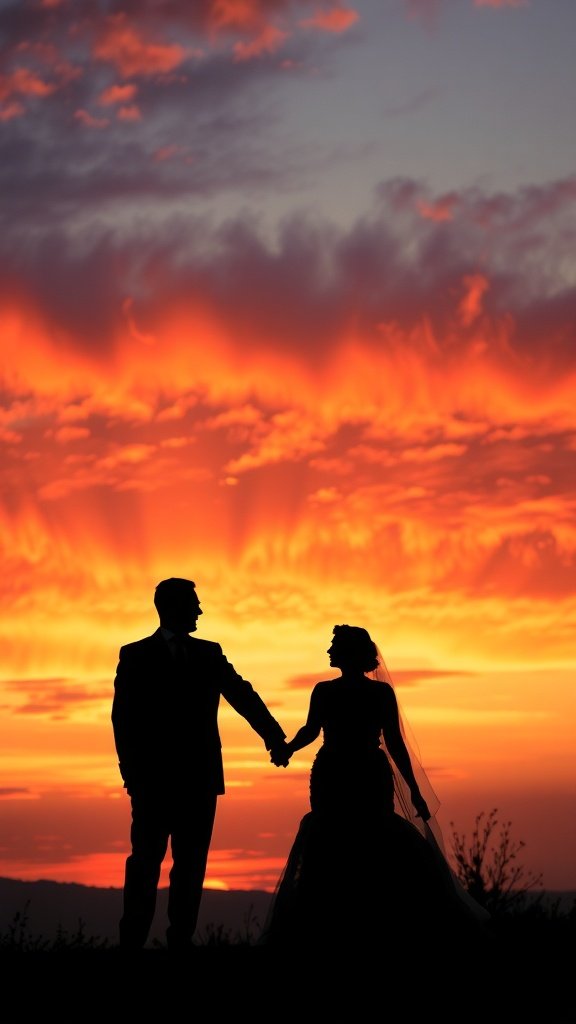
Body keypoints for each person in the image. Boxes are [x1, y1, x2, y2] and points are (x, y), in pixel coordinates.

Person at [264, 624, 490, 952]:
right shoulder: (324, 691)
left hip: (365, 774)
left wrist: (413, 788)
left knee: (370, 841)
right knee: (331, 842)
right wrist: (287, 748)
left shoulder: (376, 694)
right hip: (333, 775)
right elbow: (311, 730)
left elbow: (395, 742)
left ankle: (374, 924)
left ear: (350, 653)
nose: (329, 650)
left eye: (335, 645)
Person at [111, 576, 289, 951]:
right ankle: (131, 945)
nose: (199, 610)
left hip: (199, 779)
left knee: (191, 866)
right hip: (152, 781)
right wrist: (132, 774)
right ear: (171, 607)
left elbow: (242, 694)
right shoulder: (135, 654)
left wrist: (273, 737)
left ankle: (181, 944)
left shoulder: (210, 654)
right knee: (145, 863)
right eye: (193, 603)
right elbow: (123, 718)